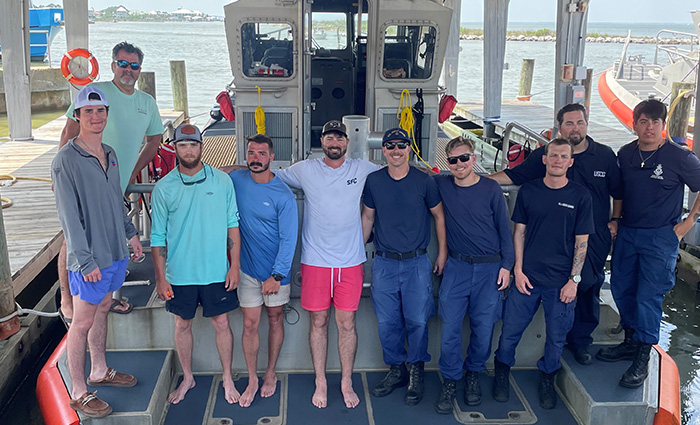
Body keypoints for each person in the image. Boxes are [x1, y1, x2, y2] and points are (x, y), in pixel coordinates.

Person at [490, 103, 622, 365]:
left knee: (588, 285)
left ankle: (581, 342)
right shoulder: (548, 154)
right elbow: (513, 175)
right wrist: (474, 179)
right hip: (555, 237)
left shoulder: (605, 155)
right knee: (561, 292)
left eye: (580, 123)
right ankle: (547, 347)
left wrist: (616, 219)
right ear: (559, 127)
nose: (575, 128)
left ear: (587, 124)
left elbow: (617, 192)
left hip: (592, 235)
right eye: (569, 123)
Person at [273, 120, 380, 409]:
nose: (334, 143)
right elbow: (269, 175)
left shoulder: (362, 169)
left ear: (347, 143)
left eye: (339, 138)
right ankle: (320, 380)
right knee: (318, 321)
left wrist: (437, 176)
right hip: (316, 261)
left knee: (346, 323)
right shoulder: (305, 169)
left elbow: (397, 173)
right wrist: (231, 172)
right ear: (322, 142)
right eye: (329, 137)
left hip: (350, 261)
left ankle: (346, 381)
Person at [51, 86, 143, 418]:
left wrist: (131, 234)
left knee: (104, 305)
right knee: (83, 319)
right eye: (88, 112)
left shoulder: (111, 154)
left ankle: (100, 370)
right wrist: (85, 260)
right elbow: (68, 217)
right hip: (90, 258)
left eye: (100, 111)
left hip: (115, 251)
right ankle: (78, 390)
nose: (95, 117)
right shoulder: (65, 160)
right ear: (76, 117)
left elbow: (115, 201)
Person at [58, 41, 164, 319]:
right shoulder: (95, 92)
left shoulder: (147, 103)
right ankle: (67, 300)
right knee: (72, 238)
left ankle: (107, 298)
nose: (128, 70)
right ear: (113, 65)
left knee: (112, 237)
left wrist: (129, 173)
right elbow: (69, 130)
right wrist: (63, 175)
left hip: (115, 182)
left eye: (134, 65)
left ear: (140, 69)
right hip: (82, 179)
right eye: (123, 63)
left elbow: (154, 141)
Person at [598, 99, 700, 388]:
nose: (650, 127)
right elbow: (617, 190)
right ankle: (630, 340)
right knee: (621, 286)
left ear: (664, 126)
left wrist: (689, 221)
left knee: (648, 296)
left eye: (656, 122)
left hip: (660, 236)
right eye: (644, 121)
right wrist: (616, 218)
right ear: (634, 124)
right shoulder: (626, 154)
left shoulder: (679, 157)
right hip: (628, 231)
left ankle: (643, 355)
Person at [492, 138, 594, 409]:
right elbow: (520, 233)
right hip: (527, 279)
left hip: (561, 283)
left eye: (564, 156)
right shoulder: (528, 192)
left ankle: (547, 377)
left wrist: (574, 281)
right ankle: (501, 371)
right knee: (510, 331)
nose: (558, 160)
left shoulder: (581, 196)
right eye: (553, 155)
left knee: (556, 337)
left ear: (570, 162)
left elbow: (581, 242)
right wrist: (518, 270)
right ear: (545, 160)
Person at [151, 123, 241, 405]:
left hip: (216, 270)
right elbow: (157, 236)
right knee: (182, 324)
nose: (188, 150)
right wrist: (161, 277)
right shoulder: (164, 188)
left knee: (222, 322)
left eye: (193, 144)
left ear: (202, 147)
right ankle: (188, 377)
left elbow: (232, 226)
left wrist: (234, 266)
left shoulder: (222, 181)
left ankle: (227, 376)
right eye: (182, 145)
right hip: (180, 273)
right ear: (175, 148)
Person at [360, 128, 448, 406]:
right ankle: (397, 370)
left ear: (409, 148)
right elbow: (367, 218)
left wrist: (442, 253)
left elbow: (439, 217)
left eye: (401, 145)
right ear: (382, 150)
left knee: (418, 321)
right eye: (390, 146)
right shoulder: (373, 181)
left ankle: (417, 372)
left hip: (416, 263)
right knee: (387, 322)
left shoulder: (425, 181)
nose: (396, 150)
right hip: (384, 262)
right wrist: (353, 253)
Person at [432, 136, 514, 413]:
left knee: (483, 328)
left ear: (474, 159)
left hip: (490, 269)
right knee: (450, 329)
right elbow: (418, 175)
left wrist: (507, 266)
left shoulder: (491, 189)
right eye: (453, 160)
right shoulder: (442, 184)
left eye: (464, 158)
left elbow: (506, 230)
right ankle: (451, 379)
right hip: (457, 267)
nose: (459, 164)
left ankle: (473, 375)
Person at [229, 134, 298, 407]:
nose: (255, 158)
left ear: (271, 158)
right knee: (249, 324)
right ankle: (252, 377)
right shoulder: (237, 179)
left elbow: (289, 238)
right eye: (251, 153)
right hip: (247, 269)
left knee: (275, 318)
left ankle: (270, 373)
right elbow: (217, 173)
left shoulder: (283, 194)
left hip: (274, 273)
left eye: (261, 154)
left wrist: (277, 275)